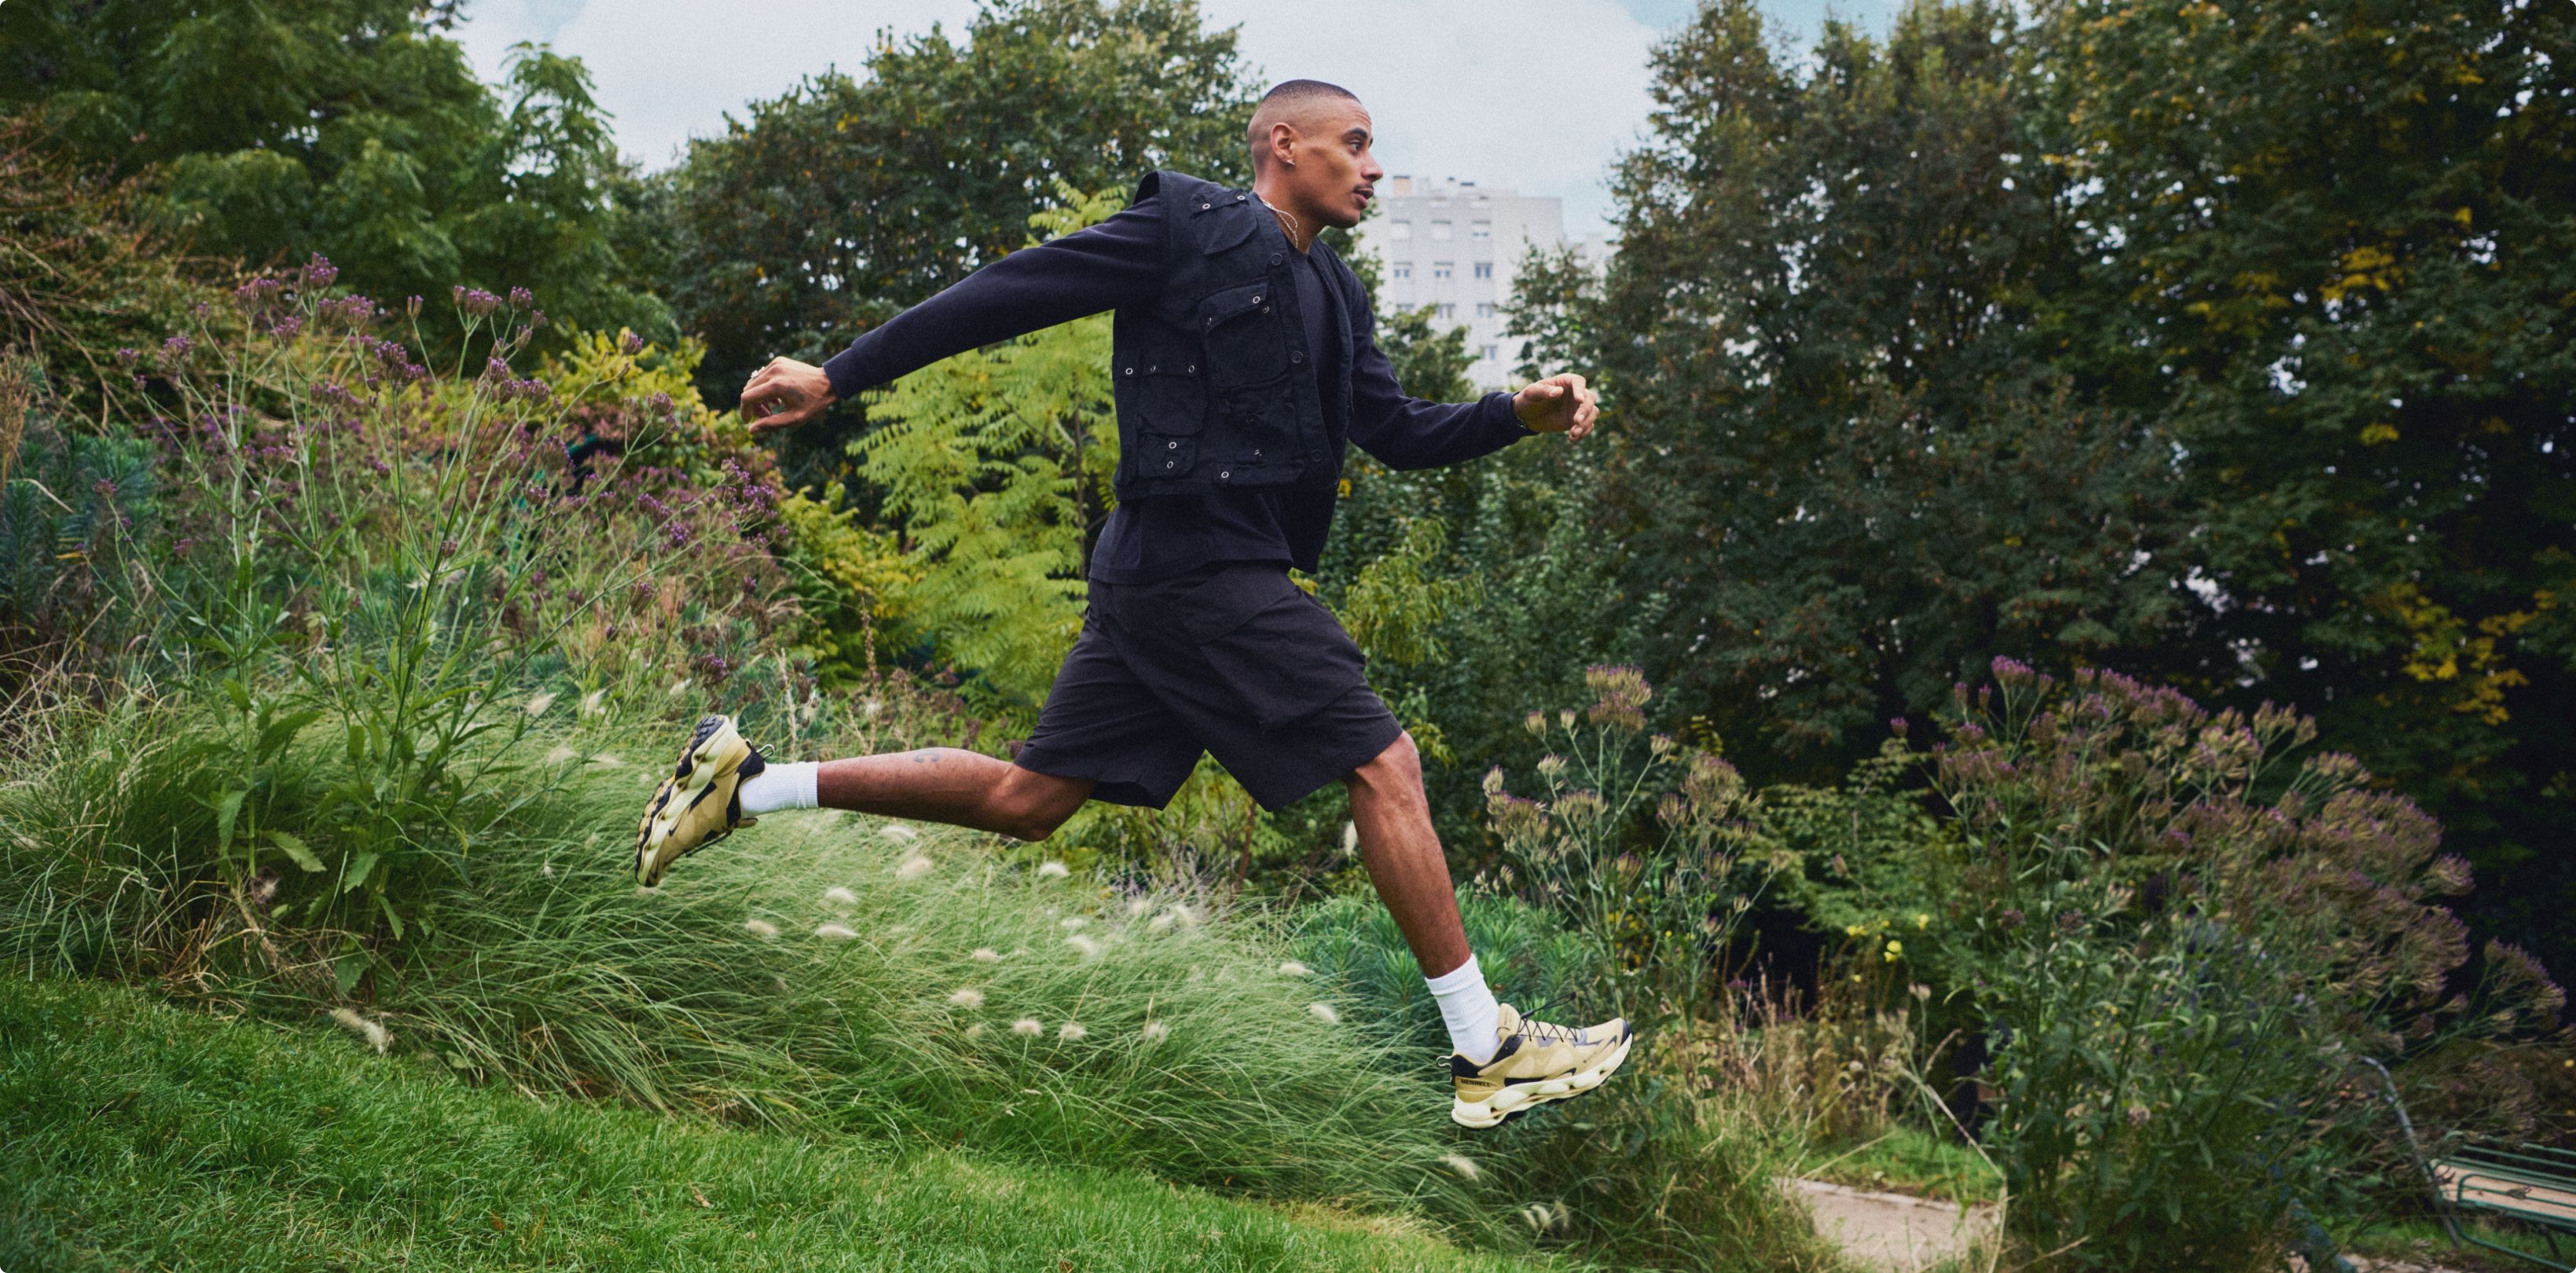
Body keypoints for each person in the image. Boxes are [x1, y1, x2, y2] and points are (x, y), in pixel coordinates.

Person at [634, 79, 1627, 1129]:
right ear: (1284, 145)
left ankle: (745, 785)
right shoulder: (1184, 226)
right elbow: (1006, 292)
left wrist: (1511, 415)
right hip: (1199, 564)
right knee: (1384, 762)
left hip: (1171, 574)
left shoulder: (1334, 294)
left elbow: (1391, 428)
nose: (1373, 168)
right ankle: (1485, 1045)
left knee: (1031, 801)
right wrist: (839, 375)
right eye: (1357, 144)